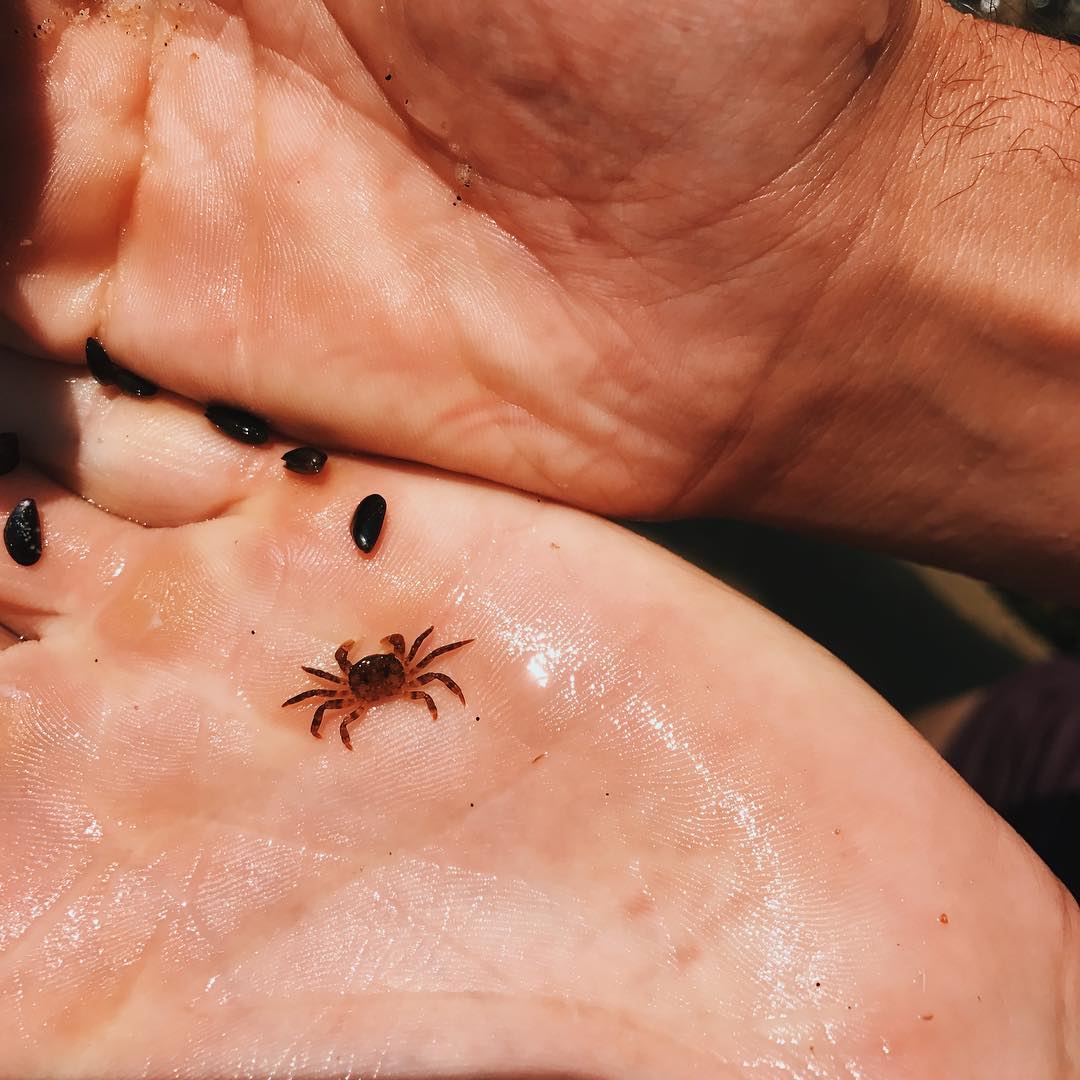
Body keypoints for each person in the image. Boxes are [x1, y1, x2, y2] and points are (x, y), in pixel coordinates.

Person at [0, 1, 1076, 1076]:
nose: (373, 681)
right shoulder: (366, 678)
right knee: (990, 745)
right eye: (367, 678)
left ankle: (946, 728)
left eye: (373, 675)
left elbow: (418, 670)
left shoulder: (394, 671)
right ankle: (955, 733)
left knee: (973, 748)